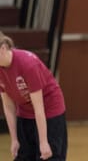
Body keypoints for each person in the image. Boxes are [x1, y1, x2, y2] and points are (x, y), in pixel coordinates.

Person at [0, 31, 67, 161]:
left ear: (2, 49)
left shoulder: (28, 64)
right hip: (25, 112)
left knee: (48, 155)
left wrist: (43, 142)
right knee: (24, 155)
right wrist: (14, 139)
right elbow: (8, 105)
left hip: (49, 111)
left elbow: (39, 107)